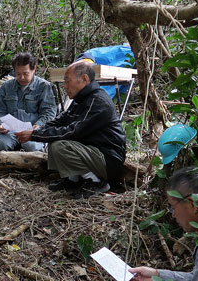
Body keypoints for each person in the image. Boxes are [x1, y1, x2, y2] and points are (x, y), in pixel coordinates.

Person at [16, 60, 126, 199]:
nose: (65, 86)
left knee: (60, 145)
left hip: (107, 159)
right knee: (54, 141)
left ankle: (96, 181)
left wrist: (35, 135)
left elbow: (73, 131)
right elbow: (61, 120)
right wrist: (38, 129)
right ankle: (72, 179)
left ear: (84, 79)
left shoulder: (98, 101)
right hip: (93, 152)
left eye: (68, 81)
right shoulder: (81, 99)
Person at [0, 52, 57, 152]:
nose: (21, 77)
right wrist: (0, 124)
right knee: (0, 146)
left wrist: (38, 125)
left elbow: (49, 112)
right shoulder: (5, 87)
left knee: (33, 148)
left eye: (25, 74)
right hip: (10, 131)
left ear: (34, 69)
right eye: (18, 74)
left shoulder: (44, 86)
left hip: (33, 131)